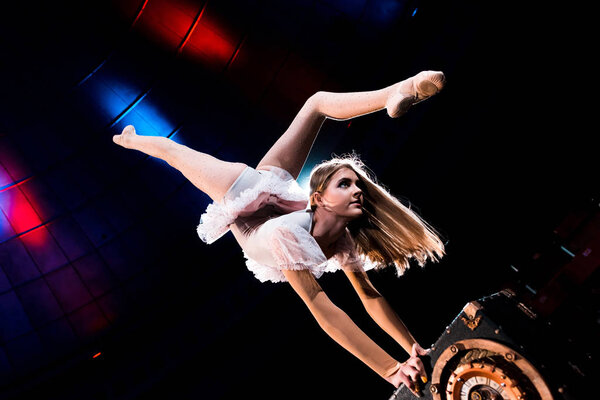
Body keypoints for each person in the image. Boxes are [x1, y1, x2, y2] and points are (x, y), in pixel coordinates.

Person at [113, 70, 446, 395]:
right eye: (346, 184)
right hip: (240, 188)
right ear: (320, 199)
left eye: (357, 184)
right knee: (176, 153)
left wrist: (413, 349)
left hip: (281, 196)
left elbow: (370, 297)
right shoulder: (288, 235)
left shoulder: (338, 234)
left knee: (316, 103)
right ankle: (132, 139)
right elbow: (323, 308)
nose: (358, 191)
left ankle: (399, 90)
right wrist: (390, 369)